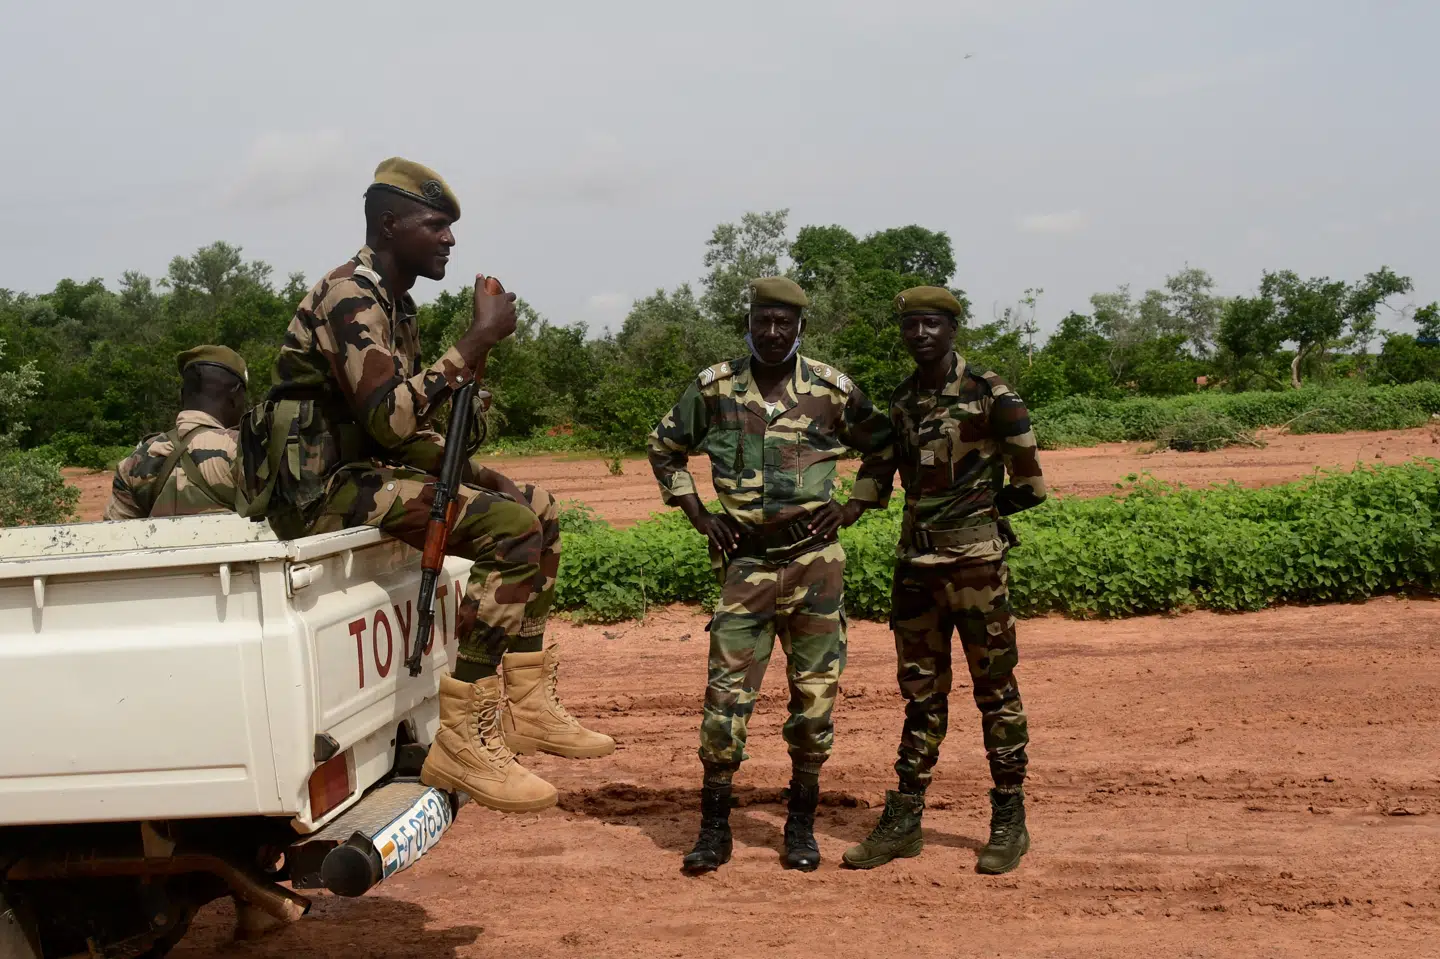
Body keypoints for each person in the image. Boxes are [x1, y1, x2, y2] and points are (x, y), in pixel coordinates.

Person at [245, 158, 612, 813]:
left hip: (365, 473)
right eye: (435, 225)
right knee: (511, 531)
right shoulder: (348, 296)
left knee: (537, 508)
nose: (449, 239)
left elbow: (409, 428)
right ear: (390, 225)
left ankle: (529, 705)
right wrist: (474, 339)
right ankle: (464, 736)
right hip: (318, 490)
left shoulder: (398, 304)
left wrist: (469, 448)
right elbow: (389, 418)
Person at [647, 276, 894, 874]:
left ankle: (800, 827)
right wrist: (699, 514)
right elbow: (664, 446)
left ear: (801, 326)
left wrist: (854, 505)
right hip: (746, 565)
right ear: (749, 324)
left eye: (785, 322)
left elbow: (885, 446)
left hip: (816, 564)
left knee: (814, 700)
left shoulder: (831, 390)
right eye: (764, 321)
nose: (774, 332)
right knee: (724, 700)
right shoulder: (715, 388)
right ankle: (714, 831)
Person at [841, 286, 1048, 875]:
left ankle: (1009, 819)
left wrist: (978, 516)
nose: (921, 334)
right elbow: (883, 469)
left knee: (995, 692)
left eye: (932, 324)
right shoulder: (902, 399)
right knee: (920, 697)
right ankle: (905, 820)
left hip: (976, 570)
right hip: (915, 571)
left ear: (953, 329)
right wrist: (845, 508)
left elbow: (1031, 486)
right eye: (911, 325)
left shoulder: (992, 394)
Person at [104, 346, 247, 520]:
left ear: (182, 395)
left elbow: (115, 531)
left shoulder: (133, 462)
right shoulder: (244, 450)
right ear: (236, 395)